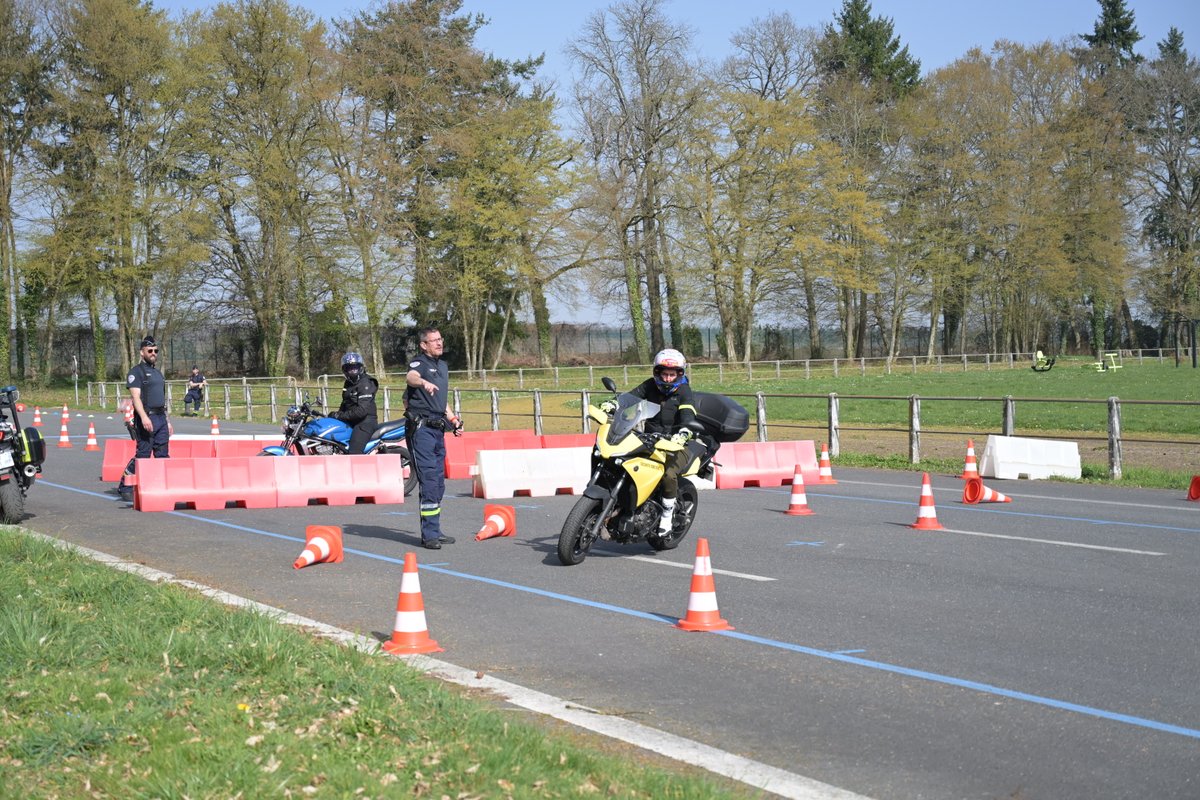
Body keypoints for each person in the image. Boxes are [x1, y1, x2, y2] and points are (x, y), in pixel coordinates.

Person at [621, 348, 699, 534]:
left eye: (672, 374)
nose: (668, 378)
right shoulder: (650, 386)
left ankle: (666, 516)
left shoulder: (684, 391)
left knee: (668, 475)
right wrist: (614, 404)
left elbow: (688, 414)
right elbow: (630, 398)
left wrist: (685, 431)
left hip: (677, 443)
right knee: (623, 462)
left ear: (680, 374)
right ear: (657, 373)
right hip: (649, 439)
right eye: (665, 374)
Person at [404, 327, 463, 549]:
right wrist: (423, 383)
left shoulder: (443, 366)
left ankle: (435, 530)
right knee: (429, 481)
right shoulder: (419, 364)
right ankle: (429, 536)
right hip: (422, 431)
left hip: (438, 430)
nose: (439, 343)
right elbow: (411, 377)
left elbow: (441, 401)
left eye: (440, 339)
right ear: (424, 345)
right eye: (434, 340)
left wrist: (454, 420)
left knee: (438, 484)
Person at [118, 335, 170, 500]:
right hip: (146, 417)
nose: (153, 353)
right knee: (144, 454)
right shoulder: (136, 372)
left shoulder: (158, 373)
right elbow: (136, 398)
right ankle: (125, 486)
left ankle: (160, 484)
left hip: (161, 417)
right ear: (142, 353)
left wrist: (167, 421)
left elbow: (162, 399)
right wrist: (144, 417)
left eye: (155, 350)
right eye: (150, 350)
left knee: (162, 454)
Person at [329, 351, 378, 455]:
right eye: (349, 368)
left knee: (354, 453)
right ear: (345, 370)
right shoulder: (348, 383)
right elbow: (345, 403)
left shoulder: (366, 383)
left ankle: (359, 470)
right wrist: (334, 417)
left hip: (365, 422)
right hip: (351, 420)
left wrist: (339, 416)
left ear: (361, 367)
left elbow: (361, 411)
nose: (353, 371)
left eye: (355, 367)